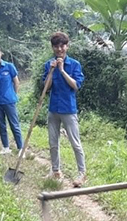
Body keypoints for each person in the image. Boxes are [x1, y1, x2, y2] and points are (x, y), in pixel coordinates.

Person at [43, 32, 87, 187]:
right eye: (56, 46)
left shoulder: (74, 65)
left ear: (67, 46)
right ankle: (56, 171)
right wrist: (51, 71)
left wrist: (62, 70)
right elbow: (46, 88)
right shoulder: (49, 64)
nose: (59, 49)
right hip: (53, 108)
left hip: (69, 109)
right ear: (53, 47)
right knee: (53, 142)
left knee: (75, 143)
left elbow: (76, 86)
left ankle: (82, 173)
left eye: (62, 46)